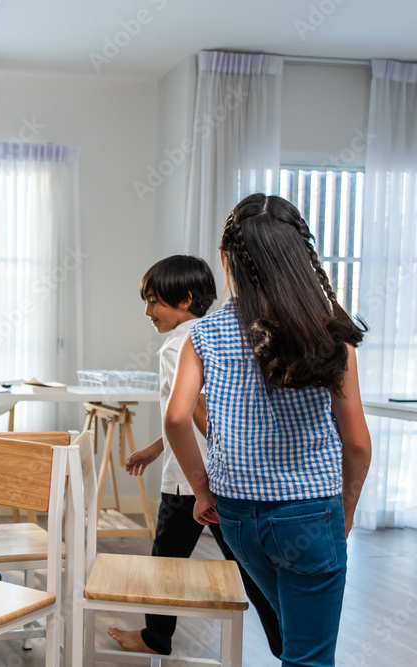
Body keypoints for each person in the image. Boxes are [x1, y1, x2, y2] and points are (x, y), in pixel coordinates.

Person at [166, 194, 371, 667]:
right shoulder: (330, 336)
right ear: (300, 255)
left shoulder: (202, 335)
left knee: (292, 635)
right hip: (309, 513)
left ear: (225, 260)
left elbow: (177, 417)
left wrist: (201, 491)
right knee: (308, 654)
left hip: (237, 516)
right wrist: (347, 508)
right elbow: (357, 444)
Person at [107, 255, 282, 658]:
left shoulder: (177, 345)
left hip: (190, 483)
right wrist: (155, 448)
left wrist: (213, 458)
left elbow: (191, 412)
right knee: (250, 570)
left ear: (185, 299)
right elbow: (188, 413)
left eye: (154, 301)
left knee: (163, 566)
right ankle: (287, 644)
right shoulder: (218, 333)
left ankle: (155, 638)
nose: (147, 311)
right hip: (221, 481)